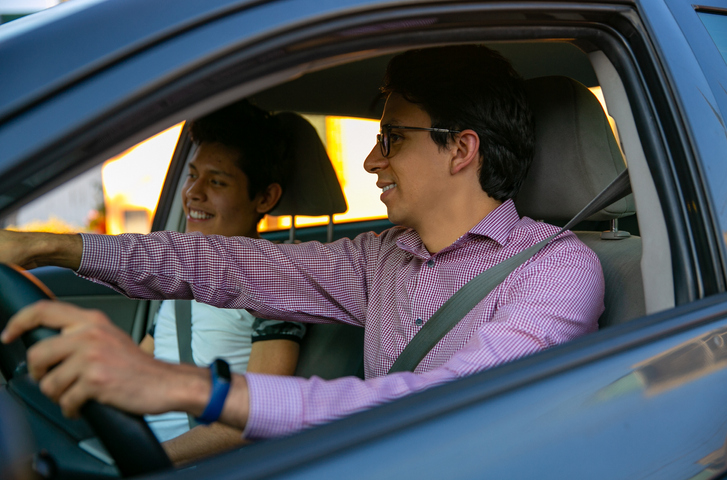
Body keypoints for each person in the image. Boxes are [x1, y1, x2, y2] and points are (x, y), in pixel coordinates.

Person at [0, 45, 604, 443]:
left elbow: (444, 405)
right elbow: (223, 263)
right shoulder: (381, 257)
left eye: (391, 139)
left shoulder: (556, 269)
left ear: (462, 149)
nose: (371, 161)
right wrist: (51, 250)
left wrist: (186, 389)